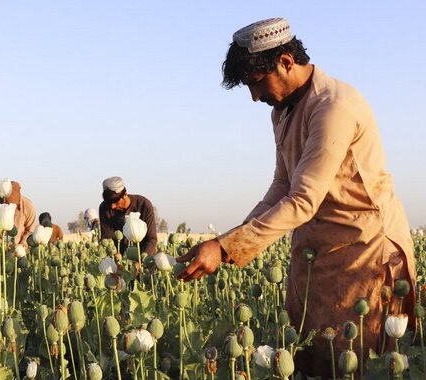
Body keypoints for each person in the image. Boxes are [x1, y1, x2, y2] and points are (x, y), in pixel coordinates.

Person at [176, 18, 416, 377]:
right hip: (315, 254)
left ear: (286, 62)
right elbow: (282, 185)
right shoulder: (283, 110)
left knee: (358, 363)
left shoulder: (332, 107)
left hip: (363, 252)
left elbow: (302, 199)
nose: (254, 97)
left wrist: (225, 248)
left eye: (256, 83)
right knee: (311, 356)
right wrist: (226, 241)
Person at [99, 176, 157, 255]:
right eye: (109, 203)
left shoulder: (144, 205)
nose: (112, 206)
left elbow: (151, 239)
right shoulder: (104, 208)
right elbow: (107, 238)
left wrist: (142, 259)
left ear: (125, 195)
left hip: (144, 257)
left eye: (115, 202)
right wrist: (116, 256)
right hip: (119, 259)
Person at [0, 180, 36, 246]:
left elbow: (30, 230)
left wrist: (21, 245)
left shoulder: (28, 206)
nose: (9, 207)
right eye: (7, 204)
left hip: (18, 246)